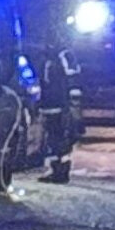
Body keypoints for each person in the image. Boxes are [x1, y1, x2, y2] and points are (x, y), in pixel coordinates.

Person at [37, 45, 82, 183]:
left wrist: (72, 104)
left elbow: (73, 78)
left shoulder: (64, 55)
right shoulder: (49, 58)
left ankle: (61, 171)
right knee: (53, 139)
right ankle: (56, 169)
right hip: (50, 105)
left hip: (60, 106)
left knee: (61, 138)